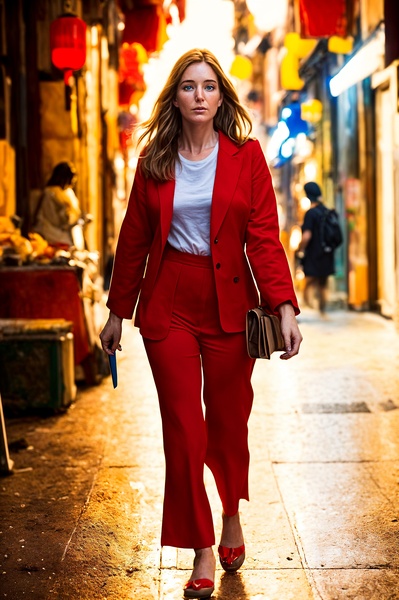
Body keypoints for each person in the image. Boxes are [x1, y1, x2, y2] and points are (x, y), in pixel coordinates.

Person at [100, 48, 302, 599]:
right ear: (175, 97)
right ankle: (203, 546)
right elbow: (134, 241)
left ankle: (231, 508)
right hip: (169, 304)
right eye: (188, 87)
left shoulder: (247, 158)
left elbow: (263, 237)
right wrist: (117, 312)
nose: (199, 95)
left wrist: (283, 306)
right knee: (185, 431)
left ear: (221, 97)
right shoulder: (154, 163)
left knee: (229, 421)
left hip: (230, 302)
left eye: (209, 86)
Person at [298, 181, 336, 315]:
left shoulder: (311, 214)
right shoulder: (327, 212)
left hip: (313, 253)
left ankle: (306, 308)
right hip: (327, 252)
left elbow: (307, 236)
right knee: (323, 283)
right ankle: (322, 310)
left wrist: (300, 249)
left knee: (309, 280)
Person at [32, 161, 86, 249]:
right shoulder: (50, 194)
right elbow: (53, 217)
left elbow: (74, 212)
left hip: (68, 235)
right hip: (52, 235)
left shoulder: (68, 193)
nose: (72, 182)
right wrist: (67, 218)